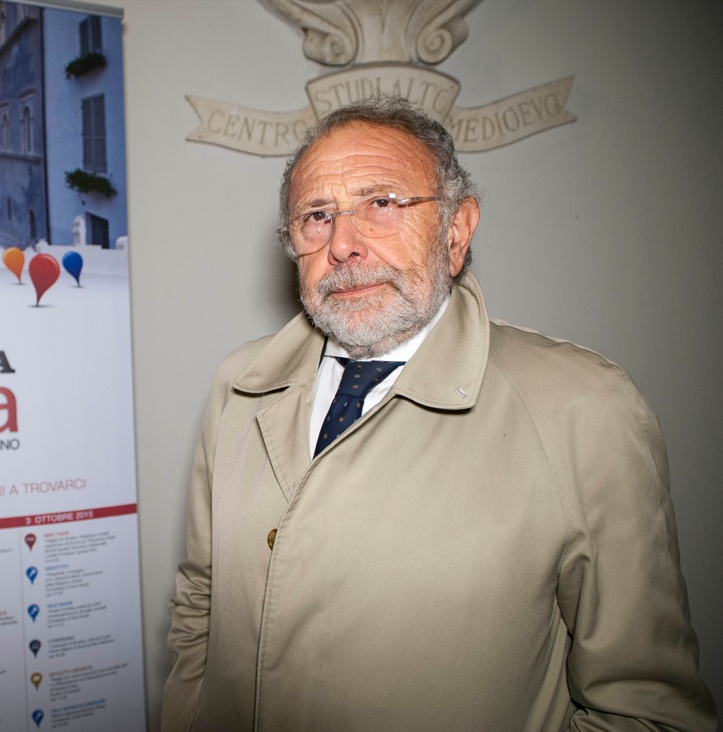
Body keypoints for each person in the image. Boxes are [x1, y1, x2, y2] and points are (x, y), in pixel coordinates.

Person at [162, 95, 716, 731]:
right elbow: (199, 606)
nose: (343, 243)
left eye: (382, 203)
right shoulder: (239, 386)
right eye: (317, 216)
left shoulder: (584, 408)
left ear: (456, 231)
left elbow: (648, 712)